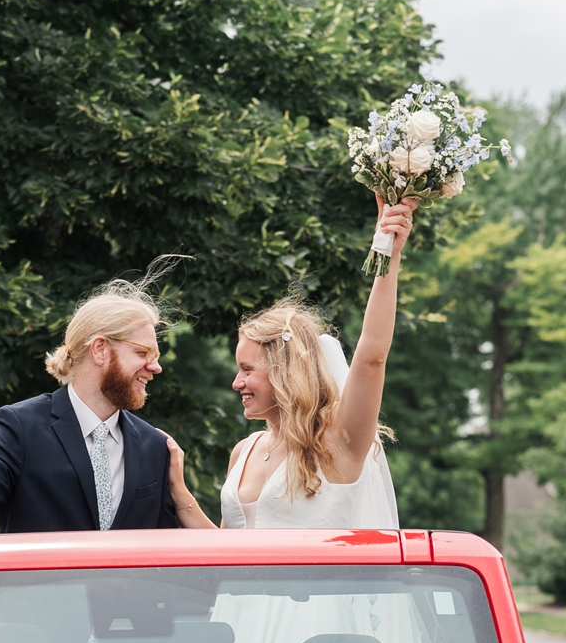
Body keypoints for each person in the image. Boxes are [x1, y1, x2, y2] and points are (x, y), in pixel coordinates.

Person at [162, 196, 413, 532]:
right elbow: (224, 553)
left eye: (247, 370)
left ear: (284, 372)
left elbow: (371, 357)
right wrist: (178, 491)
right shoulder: (243, 451)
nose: (237, 383)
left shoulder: (339, 441)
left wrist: (389, 253)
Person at [0, 280, 181, 538]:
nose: (156, 367)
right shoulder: (20, 426)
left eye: (155, 356)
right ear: (100, 350)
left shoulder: (154, 446)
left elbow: (165, 551)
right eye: (143, 353)